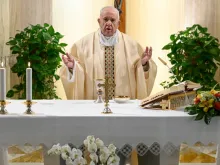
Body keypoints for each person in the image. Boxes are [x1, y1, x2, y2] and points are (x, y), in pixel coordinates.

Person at [60, 6, 157, 100]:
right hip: (93, 105)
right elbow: (74, 75)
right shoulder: (82, 45)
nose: (109, 23)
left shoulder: (132, 45)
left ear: (118, 23)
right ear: (99, 21)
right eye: (105, 19)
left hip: (123, 105)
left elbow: (141, 75)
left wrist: (143, 64)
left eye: (113, 20)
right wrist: (73, 67)